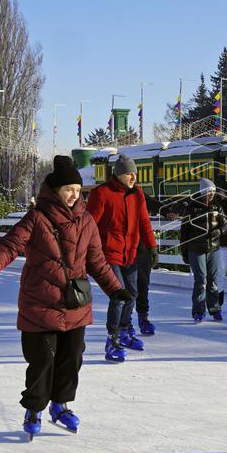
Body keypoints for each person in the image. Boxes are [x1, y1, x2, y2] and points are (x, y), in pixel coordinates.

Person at [0, 155, 131, 439]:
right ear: (54, 189)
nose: (73, 195)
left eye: (77, 190)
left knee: (72, 359)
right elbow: (11, 244)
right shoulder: (37, 217)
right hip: (40, 302)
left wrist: (114, 288)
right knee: (42, 359)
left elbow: (96, 260)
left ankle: (61, 405)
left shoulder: (87, 220)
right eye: (68, 189)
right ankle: (34, 409)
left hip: (74, 304)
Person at [86, 155, 159, 362]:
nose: (133, 177)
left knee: (132, 292)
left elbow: (144, 221)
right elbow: (89, 225)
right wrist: (86, 252)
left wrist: (152, 247)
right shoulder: (102, 193)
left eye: (135, 173)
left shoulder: (137, 194)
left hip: (131, 252)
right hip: (108, 253)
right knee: (118, 294)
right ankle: (113, 338)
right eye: (129, 173)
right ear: (118, 174)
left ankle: (126, 330)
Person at [180, 178, 227, 322]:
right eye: (208, 192)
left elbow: (225, 224)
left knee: (213, 280)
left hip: (213, 248)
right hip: (196, 248)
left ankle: (214, 309)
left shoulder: (217, 206)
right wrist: (184, 251)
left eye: (212, 191)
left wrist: (219, 232)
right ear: (202, 192)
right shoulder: (192, 207)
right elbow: (184, 231)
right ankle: (198, 311)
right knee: (201, 280)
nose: (211, 194)